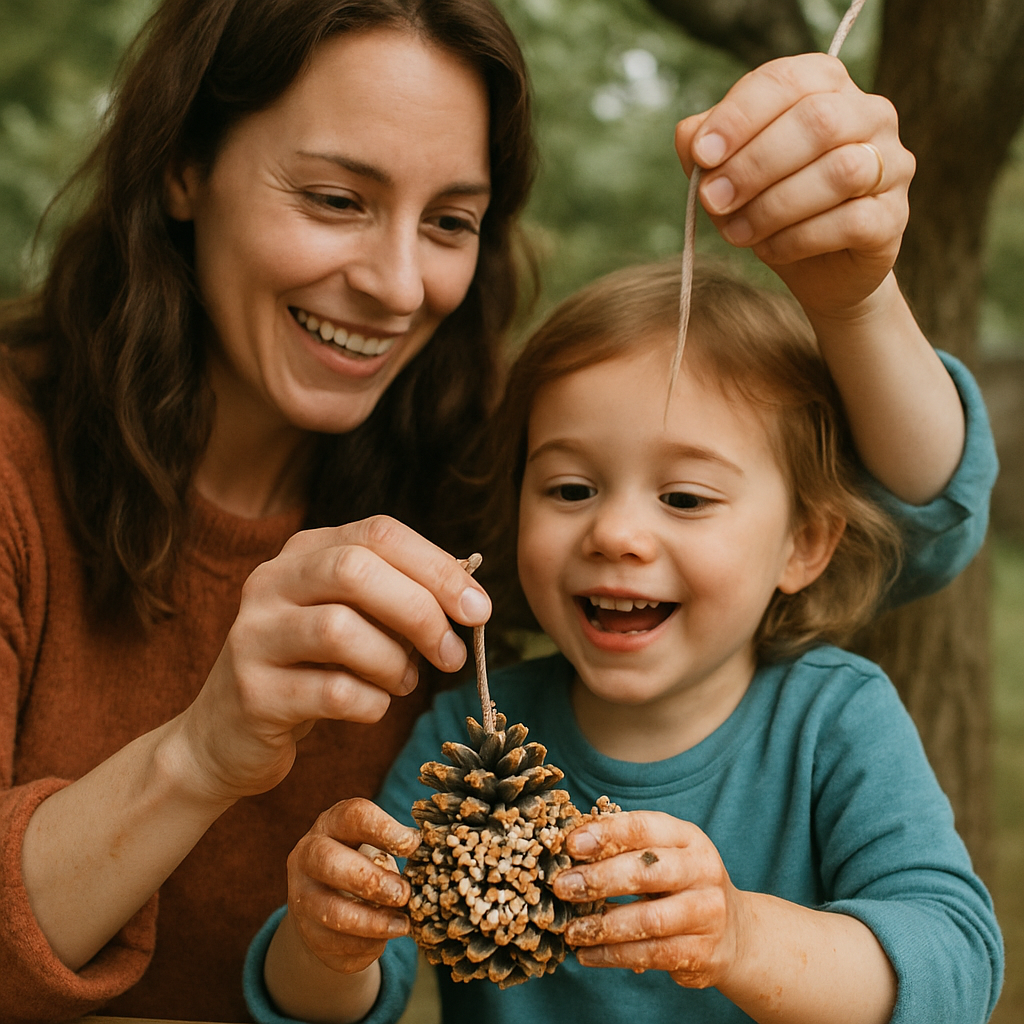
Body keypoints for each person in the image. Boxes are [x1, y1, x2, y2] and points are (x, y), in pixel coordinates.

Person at [0, 0, 988, 1021]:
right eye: (338, 197)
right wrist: (200, 755)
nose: (393, 285)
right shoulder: (15, 470)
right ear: (183, 163)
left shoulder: (459, 467)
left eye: (450, 221)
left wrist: (855, 301)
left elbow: (915, 521)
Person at [246, 263, 1002, 1024]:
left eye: (684, 498)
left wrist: (742, 939)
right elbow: (338, 1003)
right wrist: (324, 942)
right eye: (571, 489)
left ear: (803, 545)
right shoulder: (473, 733)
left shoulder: (835, 720)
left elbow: (955, 966)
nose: (614, 534)